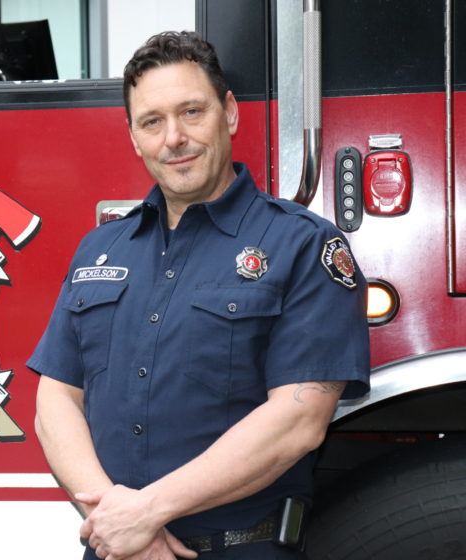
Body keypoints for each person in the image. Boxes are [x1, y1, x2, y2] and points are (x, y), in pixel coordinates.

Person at [26, 31, 370, 560]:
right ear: (134, 136)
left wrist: (148, 512)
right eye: (152, 121)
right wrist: (114, 524)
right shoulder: (100, 249)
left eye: (191, 112)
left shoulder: (303, 244)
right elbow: (56, 399)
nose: (174, 139)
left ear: (229, 113)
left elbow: (298, 421)